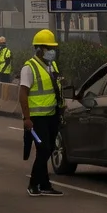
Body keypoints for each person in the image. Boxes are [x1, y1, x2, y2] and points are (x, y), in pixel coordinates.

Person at [20, 29, 64, 197]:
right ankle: (33, 184)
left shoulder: (51, 66)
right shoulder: (29, 68)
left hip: (51, 115)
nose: (52, 51)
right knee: (44, 149)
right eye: (48, 48)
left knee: (48, 149)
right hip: (36, 118)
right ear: (39, 49)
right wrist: (27, 118)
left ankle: (45, 184)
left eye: (53, 48)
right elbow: (22, 94)